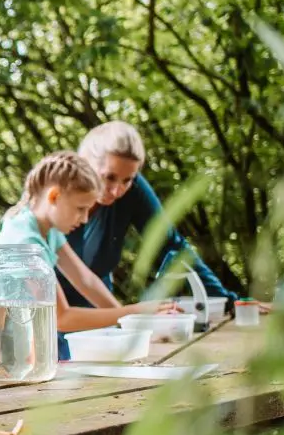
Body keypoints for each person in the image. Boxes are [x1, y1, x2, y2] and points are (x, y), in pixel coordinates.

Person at [0, 151, 175, 363]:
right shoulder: (25, 243)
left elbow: (86, 280)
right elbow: (61, 317)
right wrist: (135, 312)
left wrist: (127, 325)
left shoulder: (46, 229)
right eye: (80, 209)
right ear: (54, 197)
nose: (83, 219)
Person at [63, 121, 259, 312]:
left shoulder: (132, 191)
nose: (116, 191)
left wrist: (228, 301)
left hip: (100, 319)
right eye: (109, 177)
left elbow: (171, 246)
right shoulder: (53, 199)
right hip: (51, 319)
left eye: (127, 180)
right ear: (86, 163)